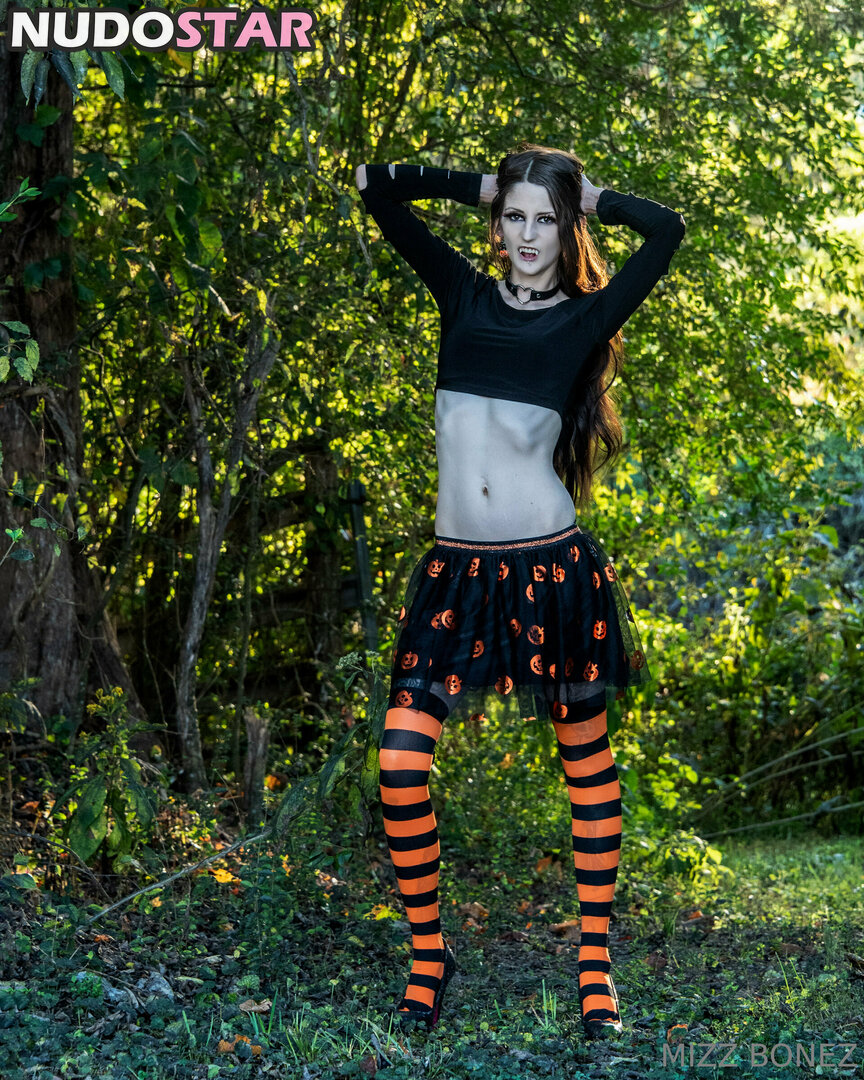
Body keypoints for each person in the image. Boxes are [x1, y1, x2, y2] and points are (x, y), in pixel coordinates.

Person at [355, 143, 685, 1038]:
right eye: (515, 217)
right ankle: (431, 958)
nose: (529, 235)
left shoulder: (583, 318)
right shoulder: (461, 294)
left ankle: (594, 970)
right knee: (398, 764)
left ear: (566, 228)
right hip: (455, 575)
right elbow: (376, 188)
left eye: (546, 219)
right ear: (496, 225)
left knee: (586, 766)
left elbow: (667, 232)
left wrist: (588, 195)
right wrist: (480, 185)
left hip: (550, 573)